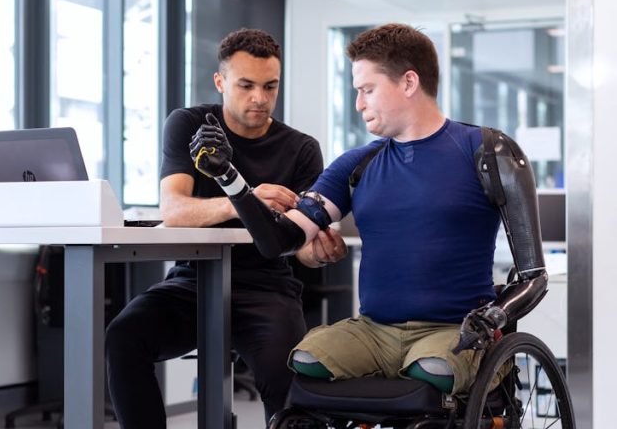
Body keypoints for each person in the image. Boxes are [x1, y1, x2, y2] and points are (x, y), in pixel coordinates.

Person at [189, 22, 547, 399]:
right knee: (306, 359)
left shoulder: (488, 153)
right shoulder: (356, 165)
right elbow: (279, 240)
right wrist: (230, 179)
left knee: (432, 369)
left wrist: (494, 317)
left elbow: (534, 277)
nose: (359, 103)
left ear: (408, 83)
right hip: (373, 332)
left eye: (367, 90)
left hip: (452, 331)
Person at [106, 27, 346, 429]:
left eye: (270, 86)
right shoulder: (191, 126)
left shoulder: (302, 149)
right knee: (124, 338)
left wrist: (318, 253)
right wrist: (245, 198)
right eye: (245, 85)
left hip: (267, 286)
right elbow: (175, 210)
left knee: (288, 367)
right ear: (221, 82)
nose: (258, 98)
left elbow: (301, 250)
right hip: (193, 280)